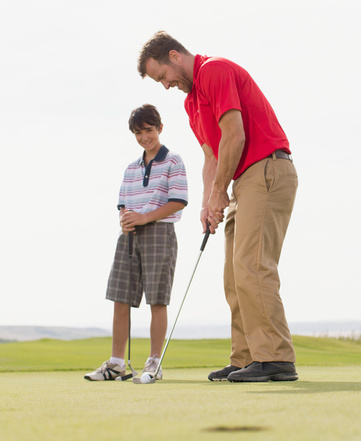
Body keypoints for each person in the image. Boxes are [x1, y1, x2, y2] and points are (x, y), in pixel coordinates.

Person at [137, 31, 299, 382]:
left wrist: (220, 191)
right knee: (233, 273)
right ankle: (247, 358)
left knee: (252, 265)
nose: (165, 86)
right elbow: (211, 155)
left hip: (267, 169)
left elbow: (235, 135)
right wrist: (209, 202)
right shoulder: (190, 103)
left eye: (162, 76)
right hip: (243, 180)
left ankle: (276, 358)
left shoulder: (214, 71)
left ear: (175, 56)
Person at [84, 104, 188, 382]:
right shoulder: (131, 167)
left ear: (160, 128)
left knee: (157, 299)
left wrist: (143, 218)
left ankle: (154, 362)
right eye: (139, 132)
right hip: (129, 236)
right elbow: (123, 204)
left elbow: (178, 202)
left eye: (149, 131)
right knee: (120, 298)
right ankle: (117, 363)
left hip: (160, 233)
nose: (145, 137)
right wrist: (126, 219)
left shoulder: (173, 161)